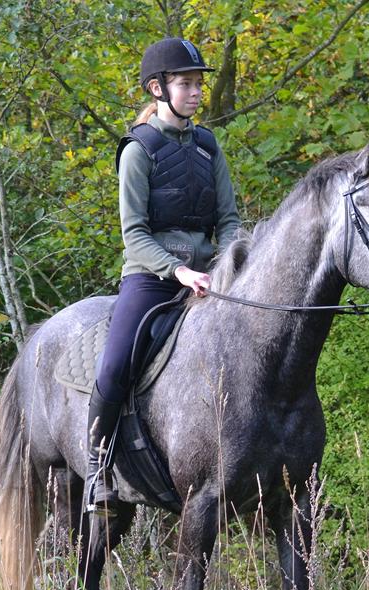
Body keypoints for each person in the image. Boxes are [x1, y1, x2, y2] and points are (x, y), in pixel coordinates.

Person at [87, 37, 241, 514]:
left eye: (199, 84)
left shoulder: (208, 146)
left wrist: (230, 260)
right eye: (187, 84)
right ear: (158, 88)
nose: (197, 92)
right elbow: (133, 233)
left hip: (212, 274)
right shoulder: (138, 151)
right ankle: (99, 470)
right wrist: (178, 271)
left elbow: (229, 218)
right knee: (114, 365)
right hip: (151, 276)